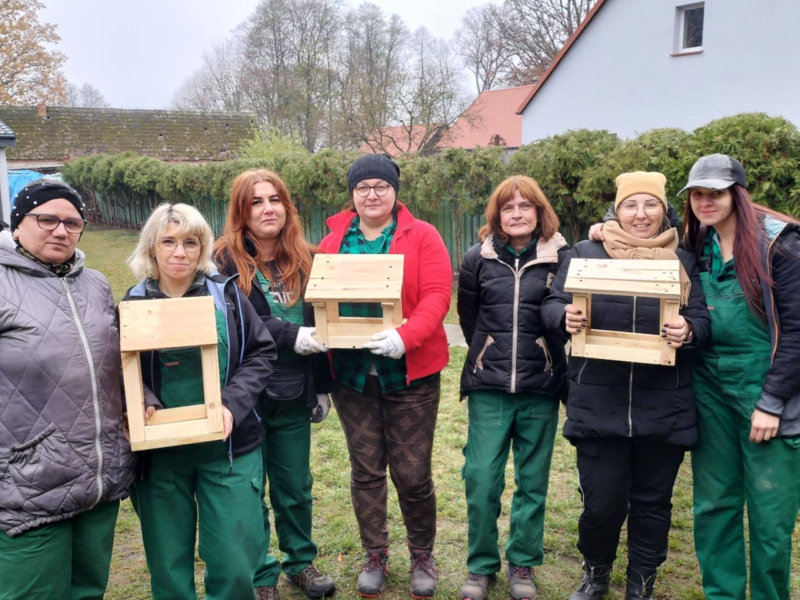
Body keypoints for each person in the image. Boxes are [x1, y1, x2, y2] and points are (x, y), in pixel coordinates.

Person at [542, 172, 710, 600]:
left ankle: (642, 582)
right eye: (630, 205)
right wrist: (564, 317)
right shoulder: (587, 253)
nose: (641, 214)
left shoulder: (687, 259)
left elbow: (705, 321)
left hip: (664, 404)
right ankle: (596, 572)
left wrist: (688, 329)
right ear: (616, 210)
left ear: (665, 210)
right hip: (599, 399)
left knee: (653, 505)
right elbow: (553, 303)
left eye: (650, 205)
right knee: (602, 504)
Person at [124, 203, 276, 600]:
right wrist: (143, 398)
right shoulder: (133, 304)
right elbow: (119, 368)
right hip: (160, 457)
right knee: (169, 566)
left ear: (203, 247)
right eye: (168, 241)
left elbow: (262, 354)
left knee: (233, 562)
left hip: (227, 449)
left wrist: (230, 404)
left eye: (190, 242)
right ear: (152, 247)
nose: (180, 252)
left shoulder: (227, 297)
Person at [317, 154, 452, 599]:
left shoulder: (422, 236)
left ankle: (421, 555)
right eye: (362, 188)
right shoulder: (333, 241)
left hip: (408, 375)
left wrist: (406, 335)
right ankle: (375, 553)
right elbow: (320, 300)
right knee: (366, 470)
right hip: (353, 377)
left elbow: (436, 295)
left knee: (412, 473)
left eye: (380, 186)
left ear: (395, 191)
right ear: (352, 194)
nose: (371, 195)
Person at [0, 180, 136, 600]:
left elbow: (120, 359)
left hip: (99, 478)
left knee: (87, 591)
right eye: (47, 219)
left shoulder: (94, 283)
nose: (60, 231)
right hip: (27, 485)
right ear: (18, 224)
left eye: (72, 223)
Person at [679, 154, 800, 600]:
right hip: (709, 390)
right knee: (714, 506)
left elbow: (797, 332)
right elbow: (641, 228)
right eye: (697, 193)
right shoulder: (697, 246)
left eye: (716, 192)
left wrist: (773, 402)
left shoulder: (780, 246)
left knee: (770, 518)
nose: (705, 201)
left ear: (737, 194)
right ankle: (722, 594)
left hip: (766, 391)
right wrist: (603, 226)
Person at [214, 169, 336, 600]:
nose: (268, 209)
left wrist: (321, 386)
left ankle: (300, 562)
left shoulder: (310, 258)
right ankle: (261, 574)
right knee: (249, 491)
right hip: (244, 395)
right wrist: (290, 335)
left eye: (275, 200)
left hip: (293, 392)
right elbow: (239, 321)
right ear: (241, 213)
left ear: (287, 206)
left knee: (294, 487)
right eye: (256, 202)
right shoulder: (221, 262)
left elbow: (323, 325)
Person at [456, 176, 568, 600]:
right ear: (496, 215)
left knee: (532, 481)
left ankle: (522, 563)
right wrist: (488, 351)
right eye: (508, 207)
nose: (517, 213)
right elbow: (469, 319)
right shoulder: (477, 259)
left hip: (542, 384)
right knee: (481, 478)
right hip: (489, 388)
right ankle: (481, 566)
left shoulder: (564, 257)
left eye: (526, 206)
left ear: (540, 211)